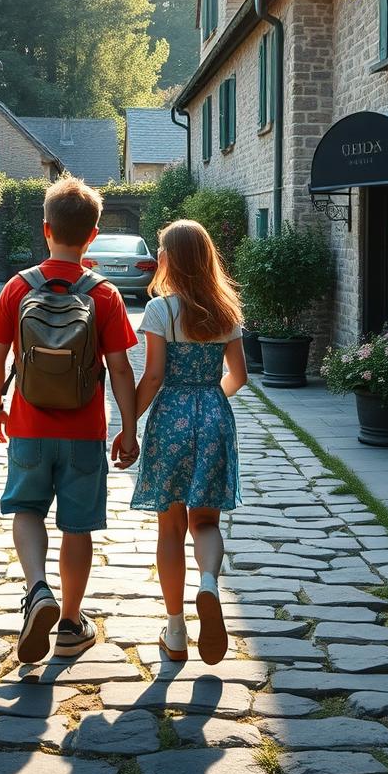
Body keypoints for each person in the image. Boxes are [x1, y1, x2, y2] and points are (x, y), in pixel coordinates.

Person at [0, 177, 138, 664]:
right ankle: (71, 624)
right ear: (92, 235)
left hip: (28, 426)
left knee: (26, 510)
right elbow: (120, 369)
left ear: (45, 228)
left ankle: (36, 591)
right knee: (78, 527)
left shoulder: (18, 286)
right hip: (83, 432)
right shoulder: (105, 295)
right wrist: (128, 428)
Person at [119, 219, 246, 665]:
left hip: (170, 417)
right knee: (205, 523)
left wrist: (129, 423)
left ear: (170, 258)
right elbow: (240, 377)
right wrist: (210, 401)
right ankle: (209, 582)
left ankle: (175, 631)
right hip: (213, 415)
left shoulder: (161, 311)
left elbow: (153, 375)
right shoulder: (227, 309)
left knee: (170, 527)